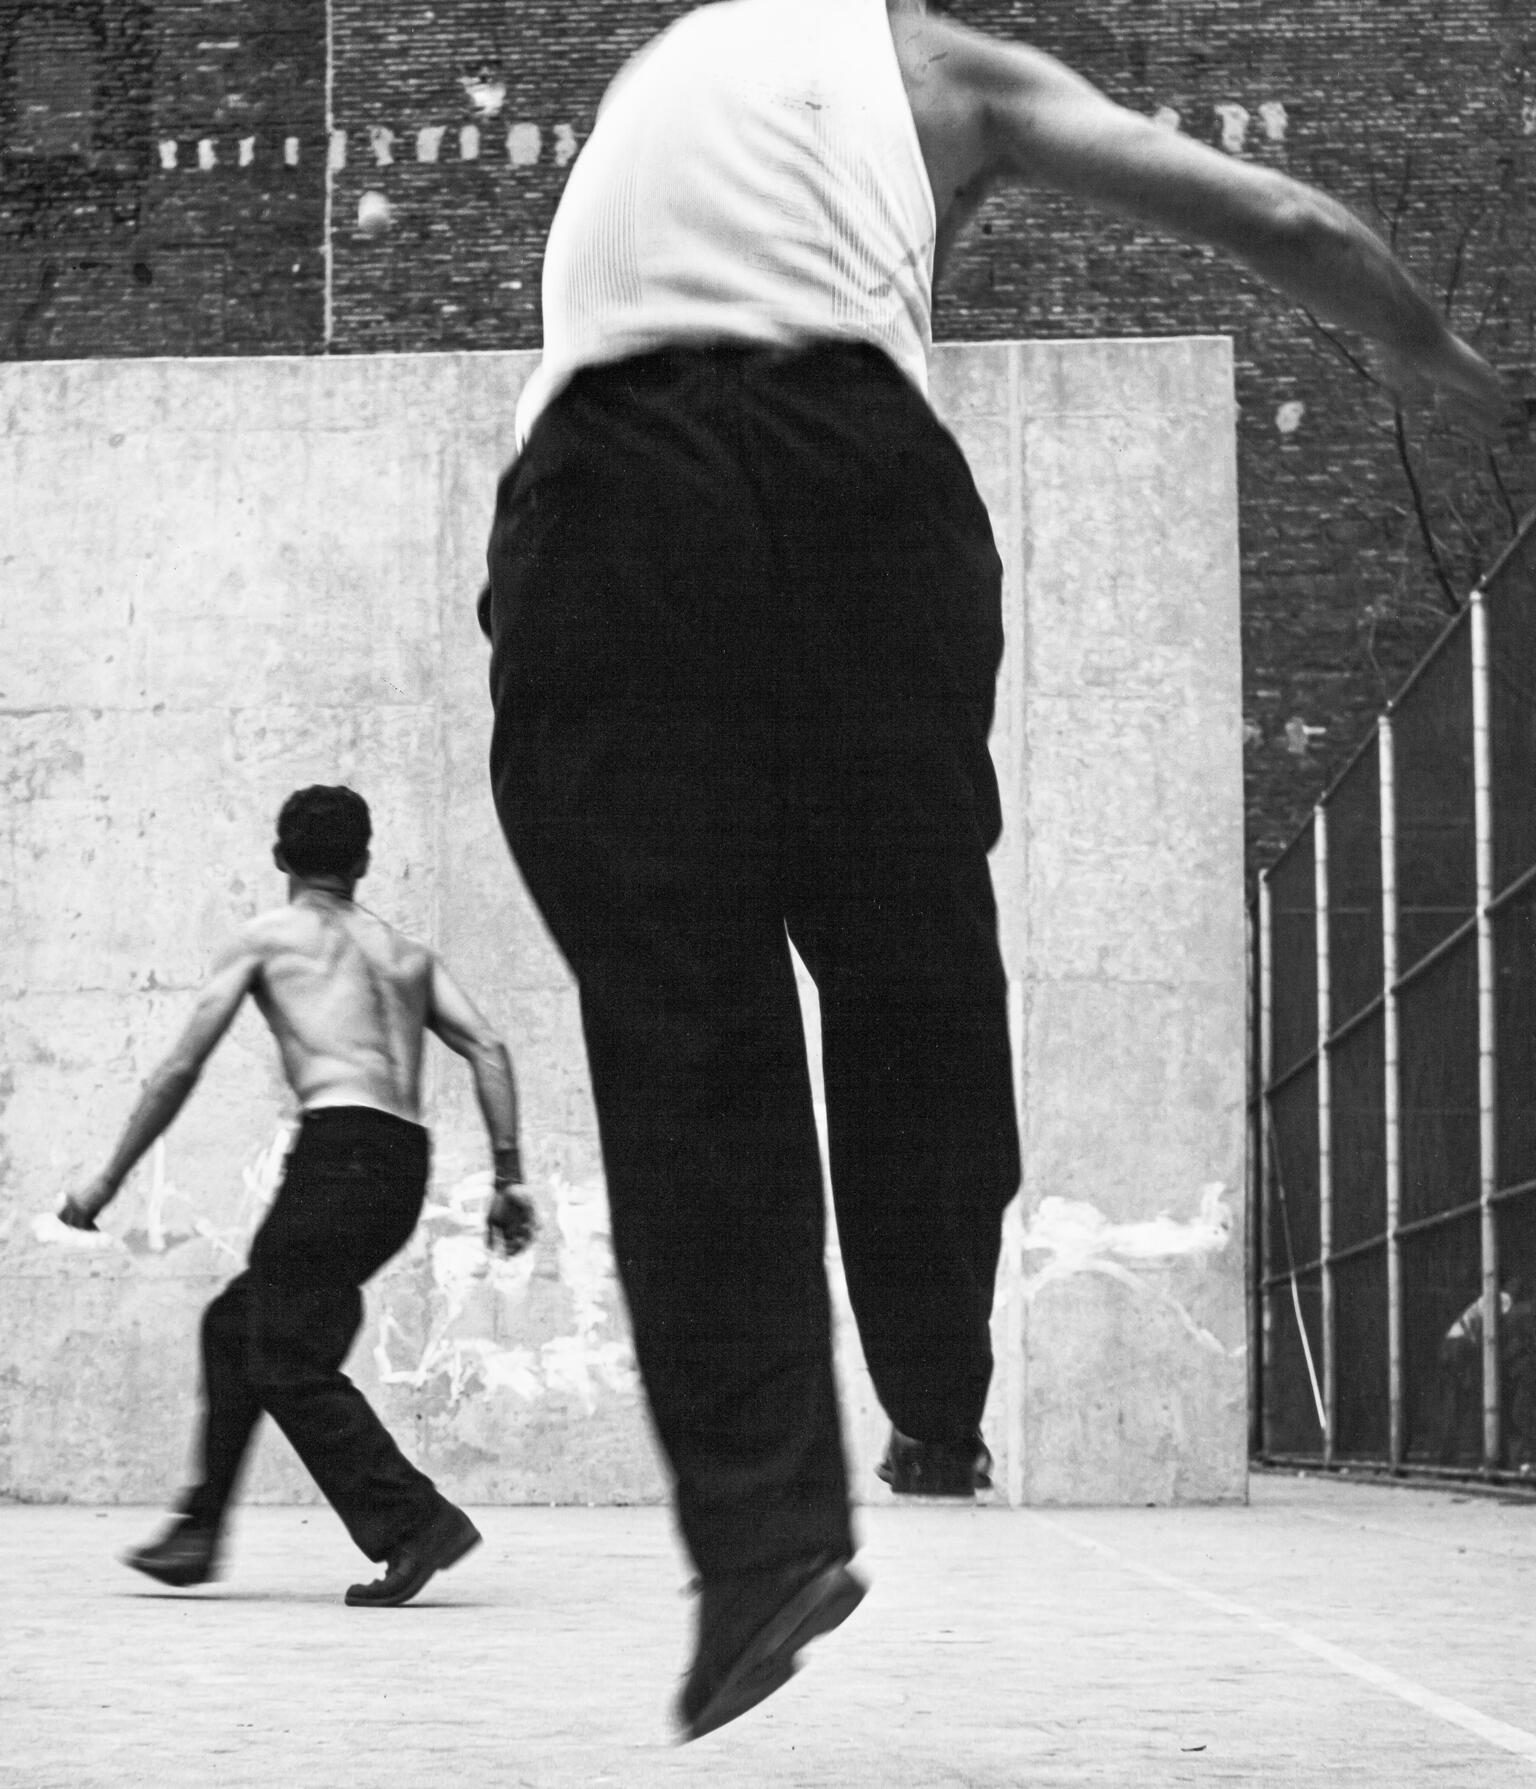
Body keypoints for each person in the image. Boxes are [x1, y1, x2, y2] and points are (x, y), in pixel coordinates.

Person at [478, 0, 1516, 1739]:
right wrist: (1435, 354)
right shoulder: (962, 76)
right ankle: (936, 1396)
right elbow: (1294, 223)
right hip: (859, 481)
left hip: (595, 509)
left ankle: (760, 1547)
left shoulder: (656, 73)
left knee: (686, 1033)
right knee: (913, 965)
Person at [60, 785, 535, 1607]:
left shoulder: (270, 938)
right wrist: (507, 1176)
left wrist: (107, 1178)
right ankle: (199, 1529)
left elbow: (179, 1067)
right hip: (400, 1162)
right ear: (363, 862)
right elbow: (487, 1047)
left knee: (283, 1352)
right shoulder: (406, 955)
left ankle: (414, 1521)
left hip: (337, 1151)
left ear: (281, 857)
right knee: (238, 1323)